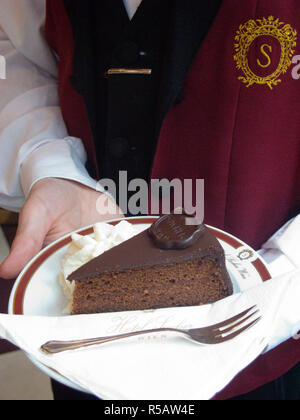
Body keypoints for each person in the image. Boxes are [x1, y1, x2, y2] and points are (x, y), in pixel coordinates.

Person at [0, 0, 299, 400]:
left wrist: (280, 288)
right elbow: (16, 55)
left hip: (255, 352)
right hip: (81, 352)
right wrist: (47, 161)